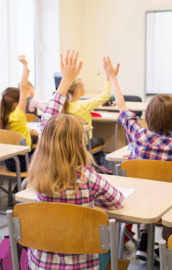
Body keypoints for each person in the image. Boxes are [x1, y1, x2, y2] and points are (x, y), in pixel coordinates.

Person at [26, 50, 124, 270]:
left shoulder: (39, 175)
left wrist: (65, 82)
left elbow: (47, 123)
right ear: (80, 141)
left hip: (40, 264)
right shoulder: (87, 177)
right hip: (80, 265)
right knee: (109, 247)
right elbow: (117, 202)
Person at [103, 55, 172, 261]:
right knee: (167, 194)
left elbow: (122, 107)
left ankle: (144, 240)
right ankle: (166, 248)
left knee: (143, 186)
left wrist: (113, 78)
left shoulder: (139, 136)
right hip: (168, 201)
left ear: (147, 116)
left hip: (139, 198)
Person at [61, 73, 113, 173]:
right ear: (77, 90)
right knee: (100, 140)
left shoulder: (64, 106)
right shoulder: (84, 105)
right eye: (83, 87)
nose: (84, 89)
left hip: (69, 141)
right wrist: (108, 77)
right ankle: (98, 163)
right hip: (84, 142)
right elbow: (105, 96)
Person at [0, 55, 37, 172]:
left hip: (9, 161)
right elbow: (23, 88)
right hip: (23, 162)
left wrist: (27, 132)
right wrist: (25, 65)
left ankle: (21, 186)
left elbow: (16, 132)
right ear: (16, 104)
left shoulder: (3, 117)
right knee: (49, 152)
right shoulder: (18, 115)